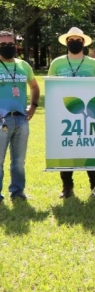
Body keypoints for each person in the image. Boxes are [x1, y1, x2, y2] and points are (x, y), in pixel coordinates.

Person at [48, 27, 95, 199]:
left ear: (83, 43)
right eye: (71, 40)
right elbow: (50, 87)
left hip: (90, 114)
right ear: (66, 42)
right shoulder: (57, 63)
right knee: (66, 148)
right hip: (64, 113)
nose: (75, 42)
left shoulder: (94, 64)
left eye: (78, 40)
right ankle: (67, 187)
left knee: (90, 148)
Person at [0, 30, 39, 203]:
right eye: (3, 45)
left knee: (19, 161)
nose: (7, 47)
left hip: (22, 119)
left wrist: (34, 106)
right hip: (1, 119)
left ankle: (17, 192)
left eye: (10, 44)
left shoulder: (24, 65)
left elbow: (35, 87)